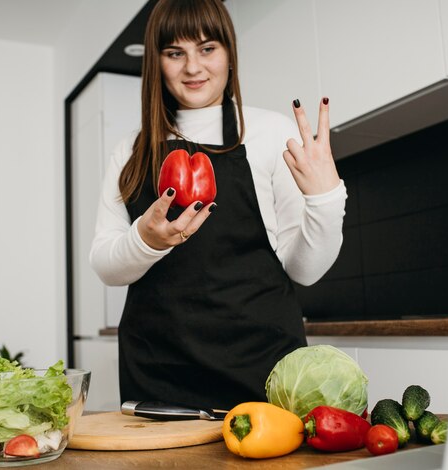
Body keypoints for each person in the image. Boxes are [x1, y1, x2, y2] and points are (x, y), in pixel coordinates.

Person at [90, 0, 346, 411]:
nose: (193, 68)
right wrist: (147, 240)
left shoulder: (271, 133)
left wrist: (326, 198)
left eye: (207, 48)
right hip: (159, 370)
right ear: (156, 62)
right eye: (175, 53)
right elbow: (104, 264)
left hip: (262, 366)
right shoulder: (131, 150)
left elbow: (305, 271)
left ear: (229, 53)